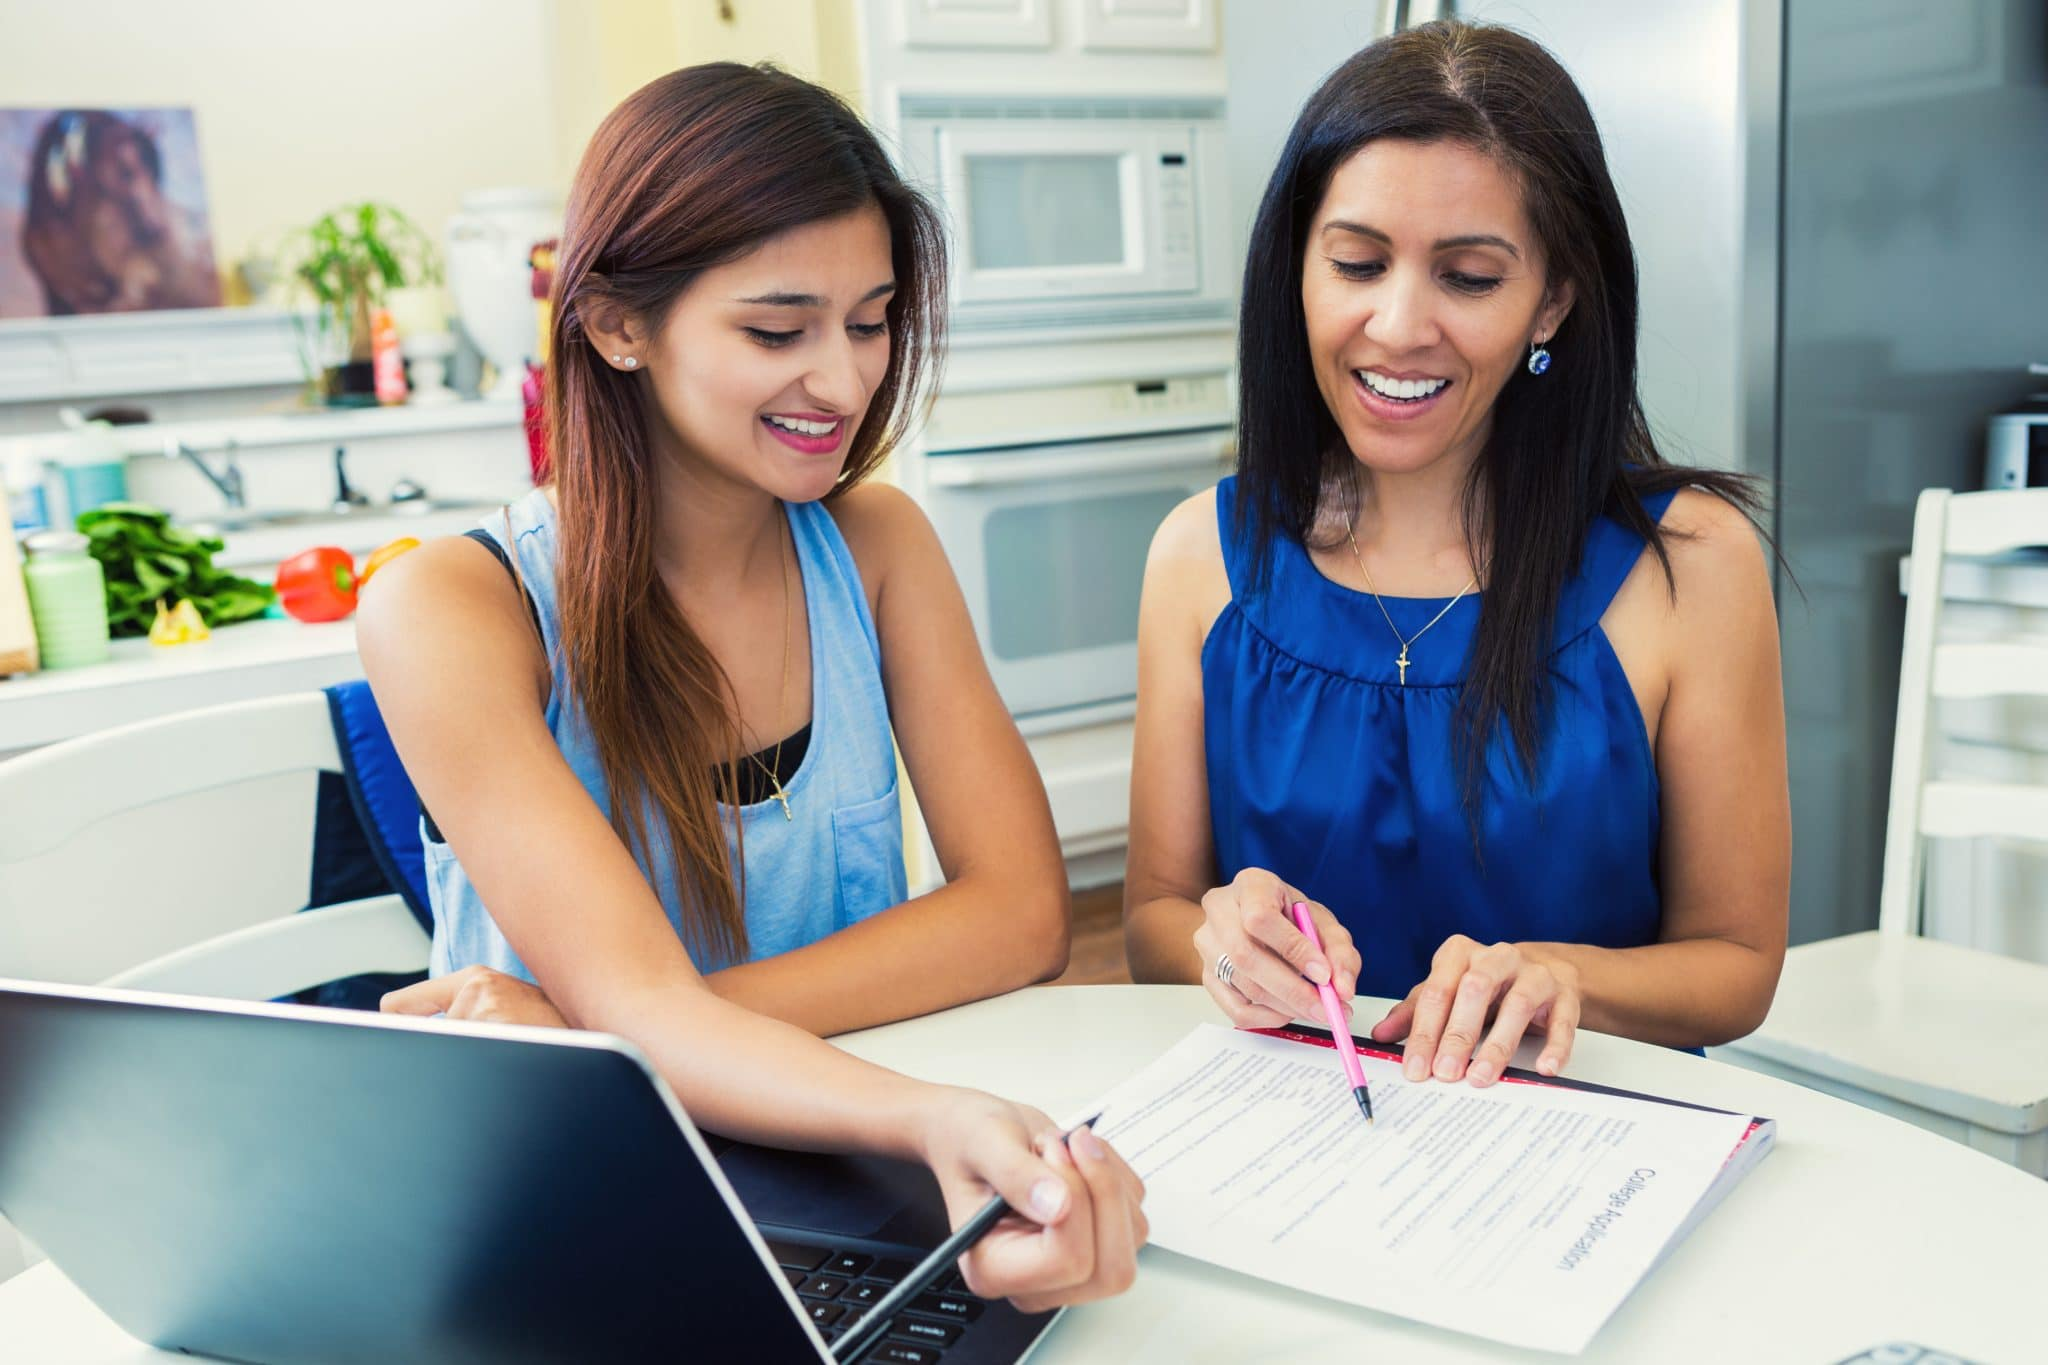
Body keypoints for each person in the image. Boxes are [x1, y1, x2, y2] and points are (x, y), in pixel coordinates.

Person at [359, 63, 1143, 1310]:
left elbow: (1023, 913)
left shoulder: (877, 547)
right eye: (776, 331)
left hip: (843, 1156)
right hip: (569, 1200)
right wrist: (640, 1028)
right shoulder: (451, 610)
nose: (841, 384)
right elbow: (642, 1007)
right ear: (616, 324)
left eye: (871, 321)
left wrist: (620, 1034)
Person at [1123, 20, 1790, 1088]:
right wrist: (1220, 943)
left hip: (1585, 1139)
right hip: (1296, 1134)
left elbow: (1737, 965)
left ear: (1553, 301)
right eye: (1354, 263)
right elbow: (1155, 922)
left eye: (1468, 277)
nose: (1396, 325)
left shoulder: (1690, 562)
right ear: (1296, 268)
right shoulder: (1197, 554)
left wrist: (1557, 977)